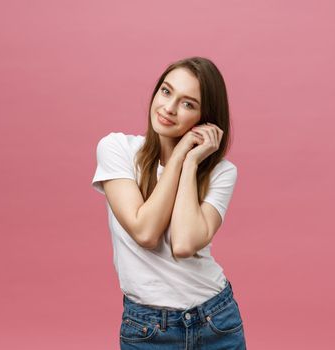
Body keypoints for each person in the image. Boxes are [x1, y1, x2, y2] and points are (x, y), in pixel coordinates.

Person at [91, 56, 247, 349]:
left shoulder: (221, 172)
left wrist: (190, 163)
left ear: (206, 119)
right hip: (148, 328)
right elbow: (145, 232)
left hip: (216, 320)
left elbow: (184, 244)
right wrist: (177, 157)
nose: (169, 108)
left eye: (188, 104)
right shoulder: (117, 149)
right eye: (166, 91)